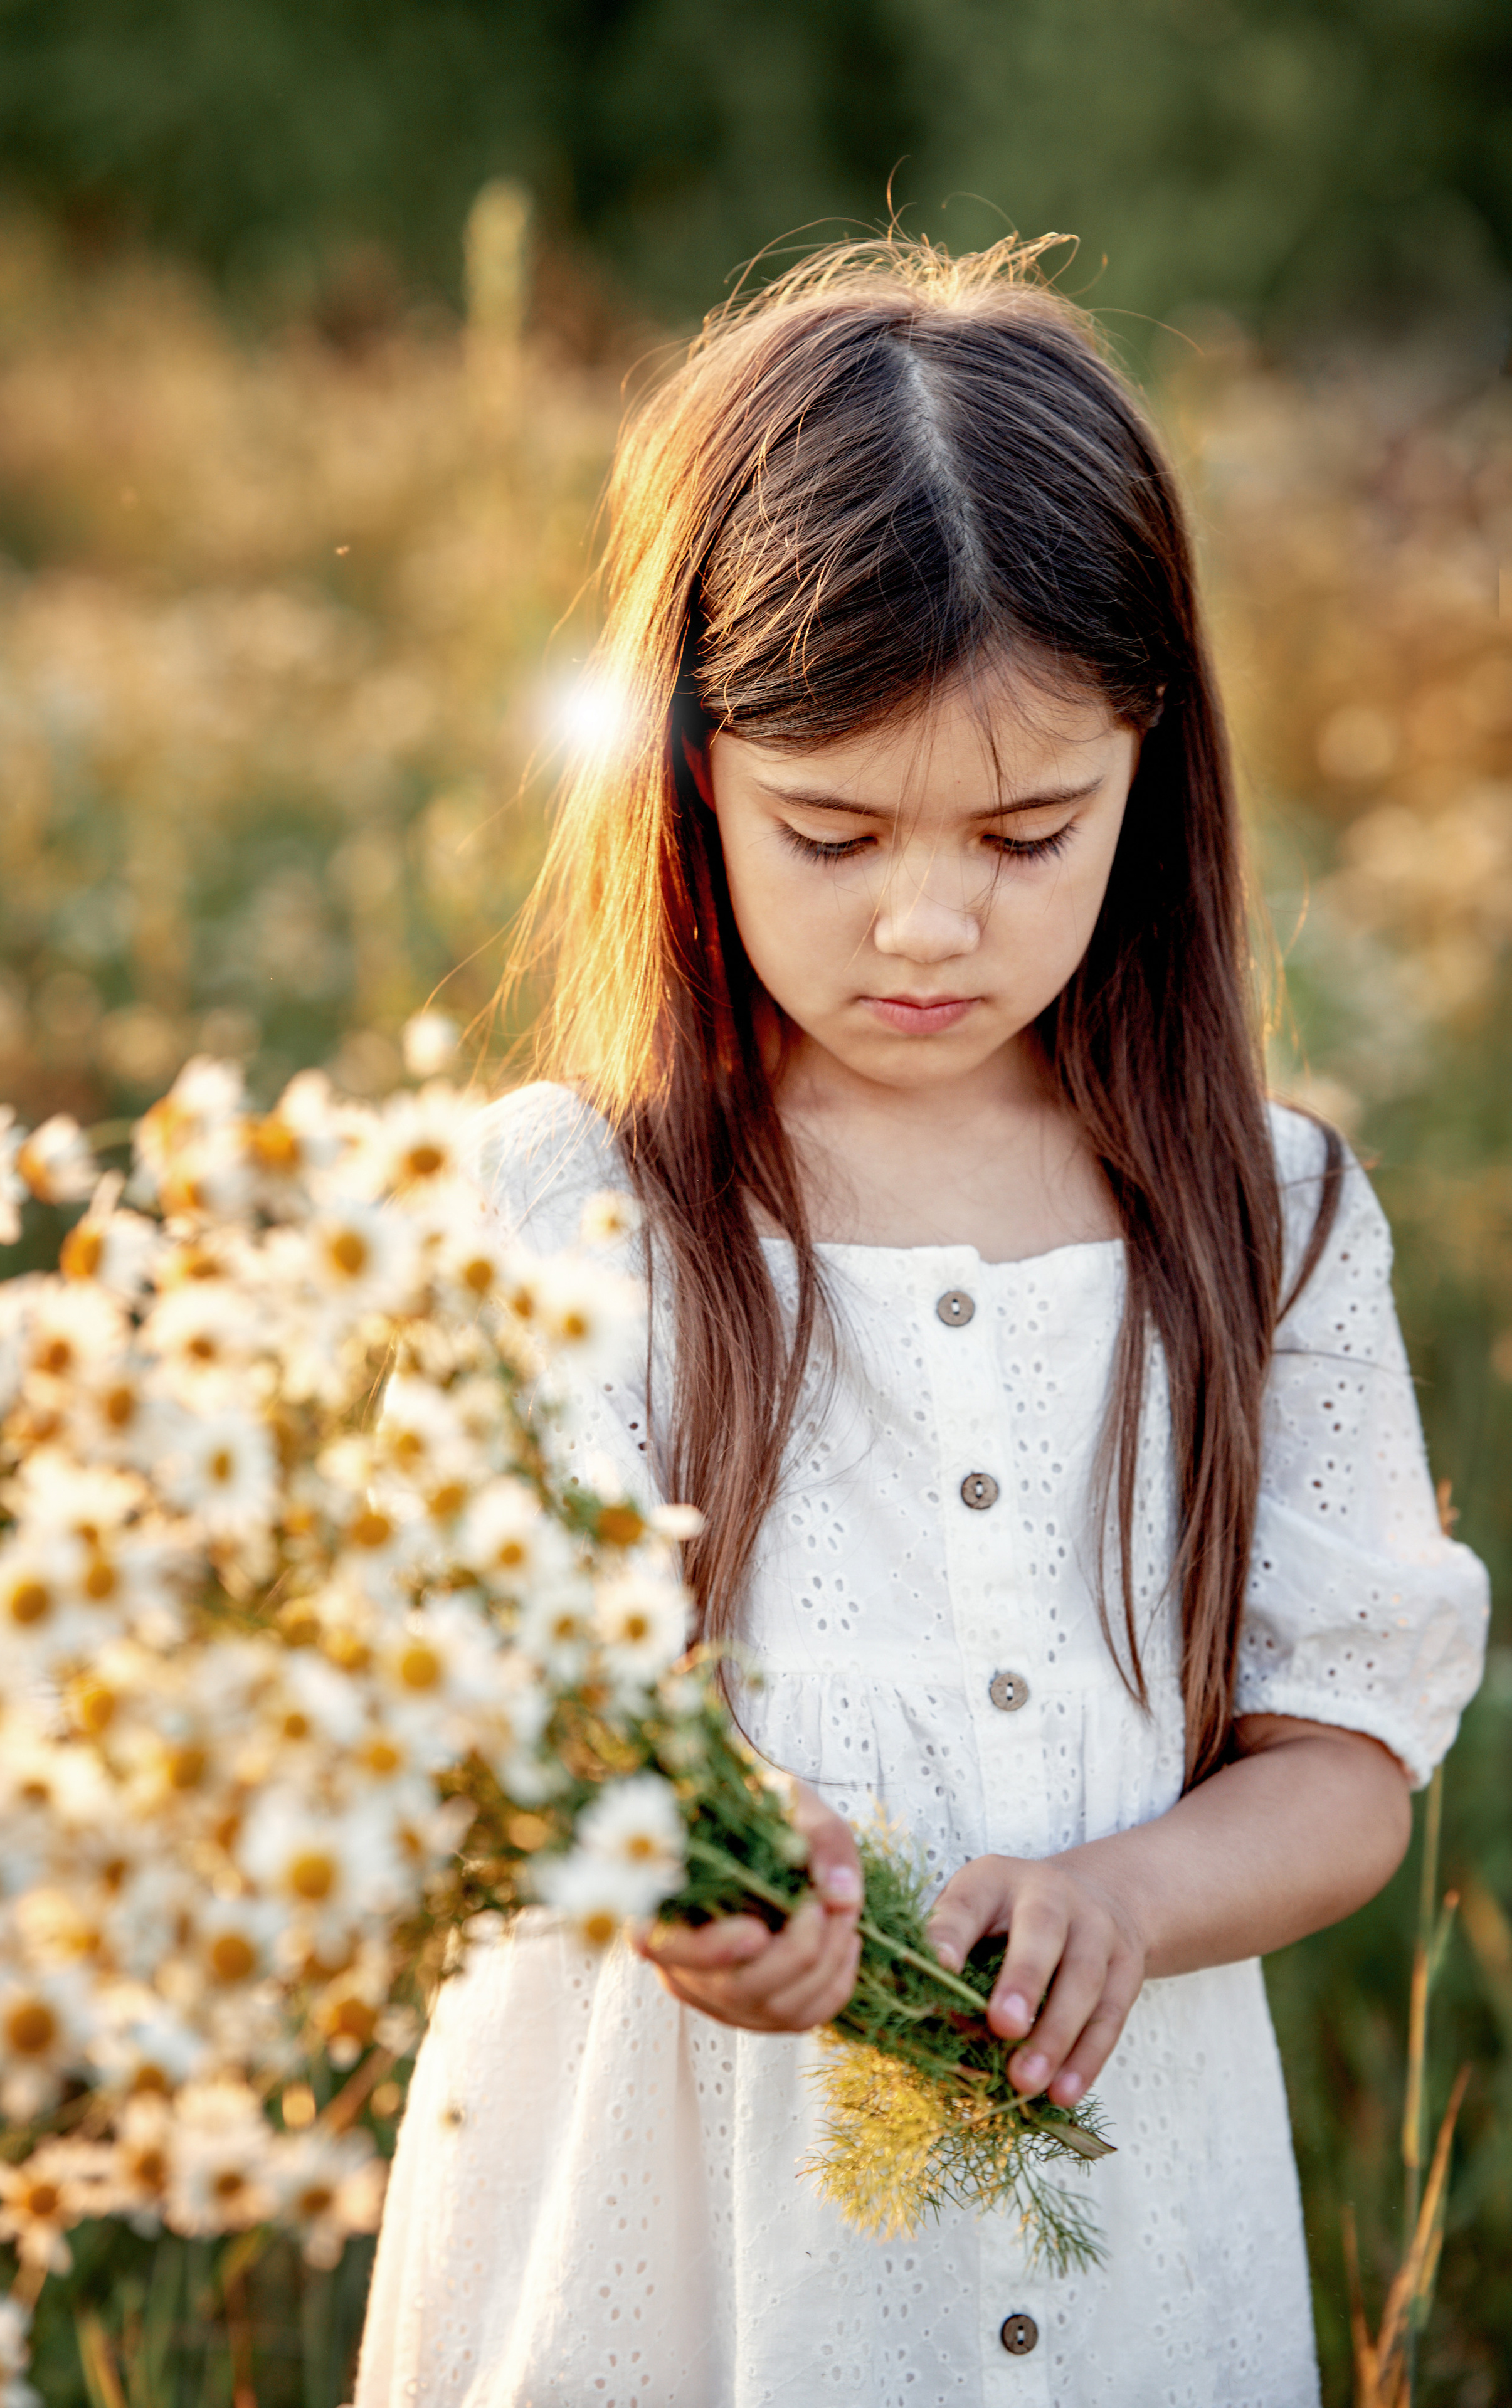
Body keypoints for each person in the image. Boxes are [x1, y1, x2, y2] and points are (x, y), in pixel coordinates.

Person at [353, 236, 1488, 2407]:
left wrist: (1141, 1897)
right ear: (690, 771)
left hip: (1122, 2200)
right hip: (679, 2229)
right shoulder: (570, 1207)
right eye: (836, 827)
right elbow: (491, 1694)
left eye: (1030, 827)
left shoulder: (1269, 1210)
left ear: (1153, 781)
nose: (929, 919)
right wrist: (693, 1877)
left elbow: (1345, 1755)